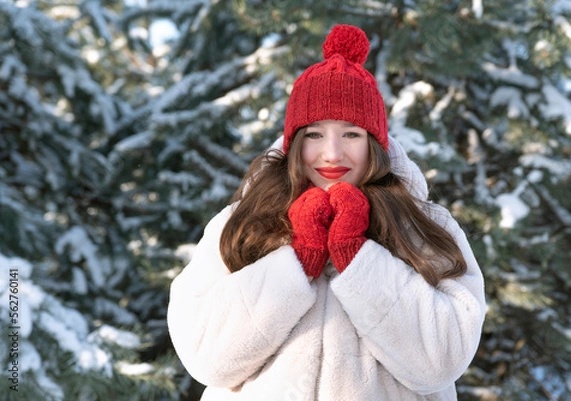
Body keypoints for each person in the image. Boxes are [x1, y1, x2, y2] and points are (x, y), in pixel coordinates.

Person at [167, 24, 486, 401]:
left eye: (351, 134)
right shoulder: (240, 222)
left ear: (376, 144)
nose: (332, 153)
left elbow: (442, 361)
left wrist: (358, 257)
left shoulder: (424, 225)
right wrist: (298, 260)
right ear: (294, 143)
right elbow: (207, 358)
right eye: (314, 135)